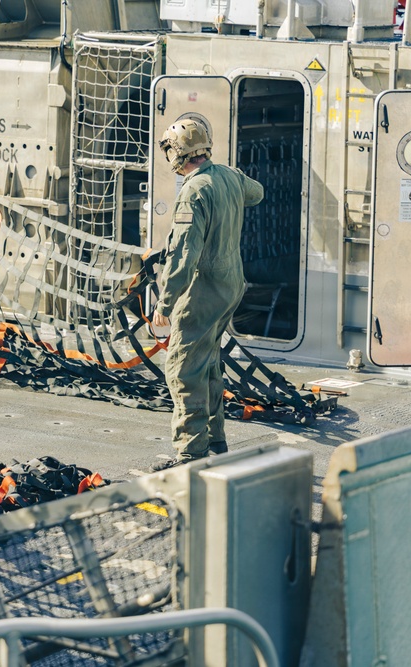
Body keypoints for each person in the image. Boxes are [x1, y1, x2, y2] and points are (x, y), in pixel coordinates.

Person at [150, 119, 264, 472]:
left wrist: (165, 304)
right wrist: (232, 180)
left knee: (184, 369)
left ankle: (190, 455)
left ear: (179, 151)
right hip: (230, 287)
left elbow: (184, 255)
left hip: (203, 293)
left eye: (170, 149)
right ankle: (216, 441)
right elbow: (257, 192)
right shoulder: (227, 177)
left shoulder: (194, 191)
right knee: (209, 362)